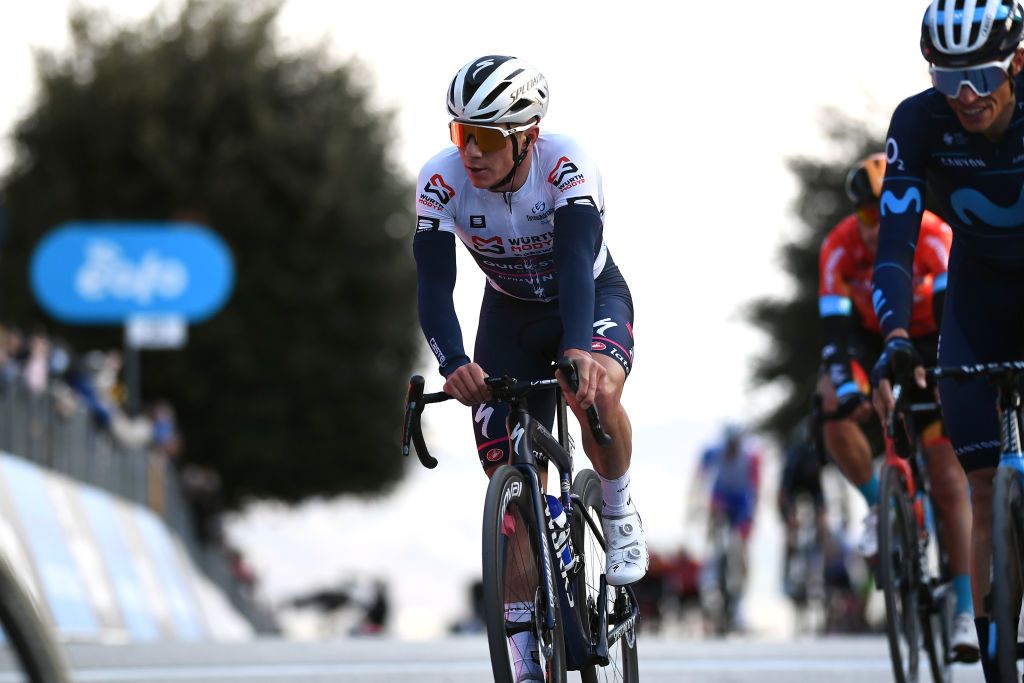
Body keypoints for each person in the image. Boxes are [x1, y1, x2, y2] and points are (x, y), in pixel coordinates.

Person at [413, 55, 647, 682]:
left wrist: (579, 348)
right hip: (509, 312)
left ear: (529, 135)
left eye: (487, 138)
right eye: (462, 134)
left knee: (595, 391)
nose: (471, 153)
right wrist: (455, 362)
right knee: (508, 483)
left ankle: (619, 510)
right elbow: (434, 286)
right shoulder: (439, 180)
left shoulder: (567, 164)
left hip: (588, 297)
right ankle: (522, 652)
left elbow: (574, 260)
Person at [870, 1, 1024, 677]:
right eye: (947, 79)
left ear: (1017, 61)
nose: (965, 98)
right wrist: (897, 334)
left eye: (982, 78)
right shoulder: (919, 121)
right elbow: (896, 241)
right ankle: (995, 645)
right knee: (984, 482)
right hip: (978, 301)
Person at [817, 151, 978, 660]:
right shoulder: (839, 249)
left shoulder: (934, 236)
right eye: (865, 215)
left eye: (884, 212)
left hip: (933, 338)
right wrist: (848, 391)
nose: (875, 226)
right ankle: (879, 505)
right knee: (829, 401)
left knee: (948, 477)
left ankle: (965, 610)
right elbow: (835, 337)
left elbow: (961, 315)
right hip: (868, 341)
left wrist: (939, 375)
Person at [692, 424, 760, 632]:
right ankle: (710, 573)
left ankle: (738, 605)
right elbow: (699, 478)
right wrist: (696, 505)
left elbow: (755, 487)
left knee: (740, 549)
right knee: (713, 535)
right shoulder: (713, 451)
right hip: (720, 497)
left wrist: (749, 519)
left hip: (741, 502)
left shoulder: (750, 457)